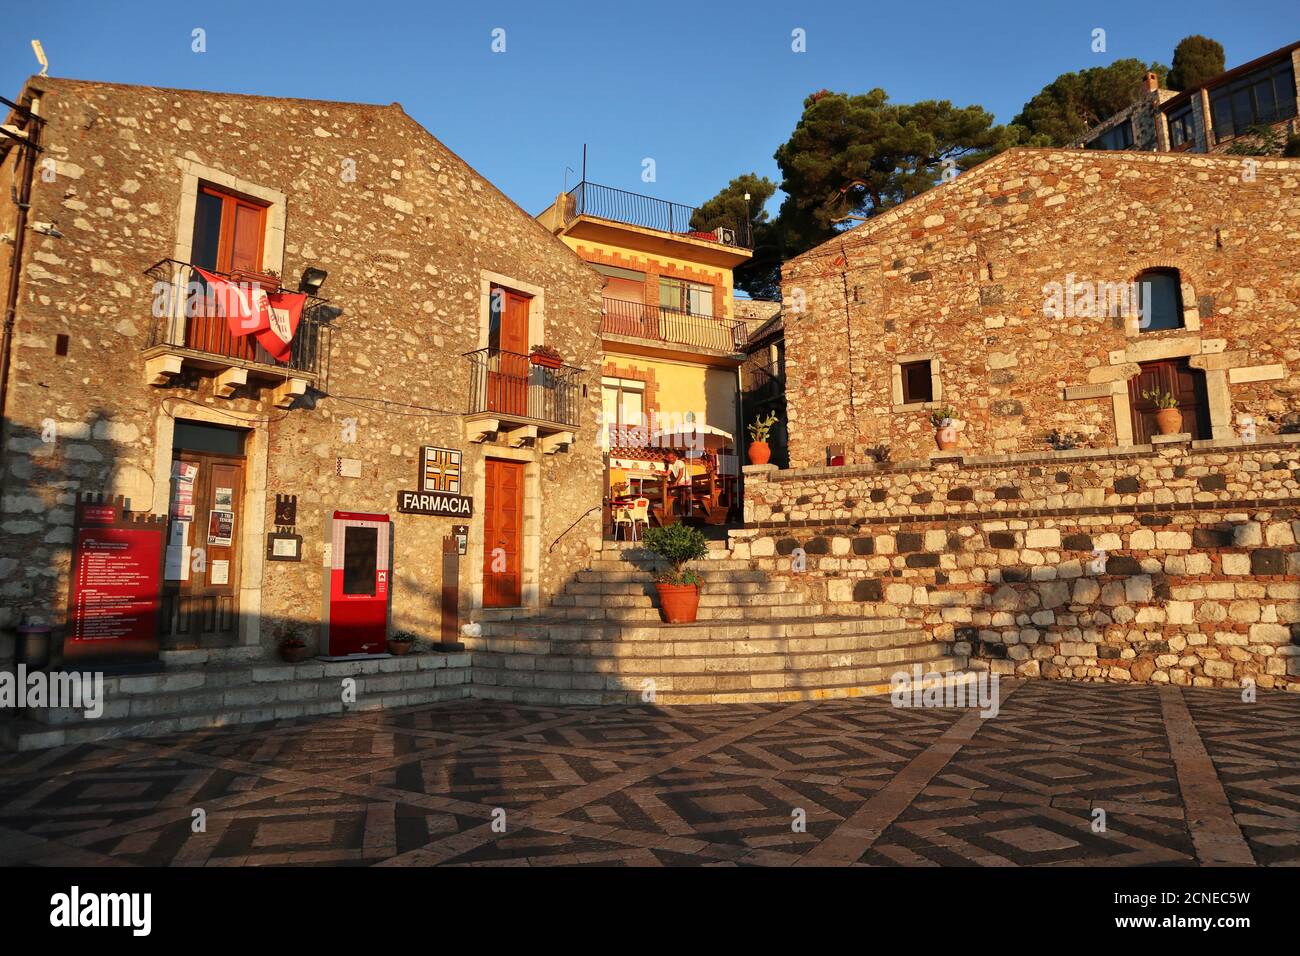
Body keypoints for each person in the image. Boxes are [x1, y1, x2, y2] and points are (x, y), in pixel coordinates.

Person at [666, 452, 690, 517]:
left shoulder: (680, 462)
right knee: (675, 495)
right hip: (679, 482)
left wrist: (676, 482)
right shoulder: (670, 464)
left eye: (671, 457)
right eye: (668, 458)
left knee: (681, 496)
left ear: (675, 457)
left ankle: (684, 513)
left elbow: (681, 474)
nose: (670, 459)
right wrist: (660, 473)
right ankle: (678, 512)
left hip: (685, 481)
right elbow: (667, 473)